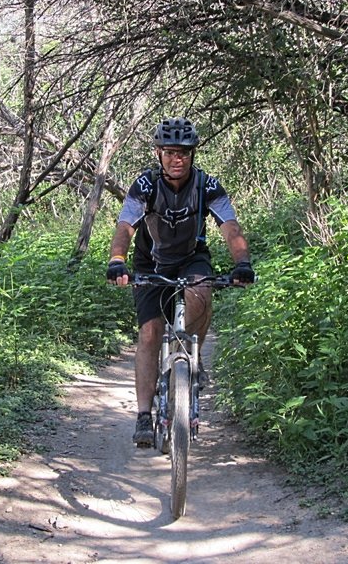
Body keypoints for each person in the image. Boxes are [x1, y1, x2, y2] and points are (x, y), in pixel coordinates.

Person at [106, 117, 255, 447]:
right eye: (171, 152)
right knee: (149, 333)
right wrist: (118, 260)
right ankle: (144, 415)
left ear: (193, 154)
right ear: (158, 153)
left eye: (185, 153)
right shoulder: (144, 185)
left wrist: (242, 263)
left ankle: (194, 354)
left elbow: (229, 227)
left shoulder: (208, 185)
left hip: (191, 258)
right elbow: (125, 227)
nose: (178, 159)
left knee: (201, 291)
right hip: (151, 262)